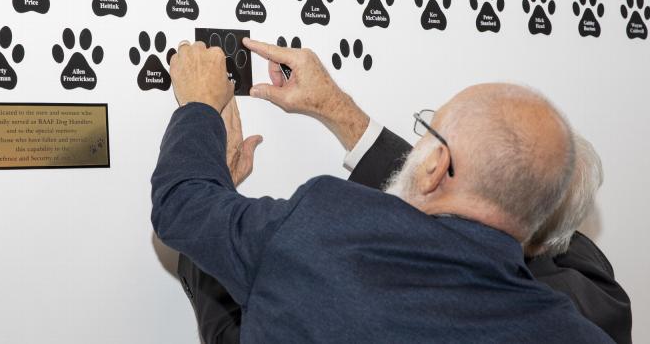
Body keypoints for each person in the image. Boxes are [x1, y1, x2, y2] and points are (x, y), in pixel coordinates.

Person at [152, 40, 615, 343]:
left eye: (427, 132)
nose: (418, 149)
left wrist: (199, 105)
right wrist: (338, 109)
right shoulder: (579, 330)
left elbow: (184, 203)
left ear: (435, 165)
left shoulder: (320, 231)